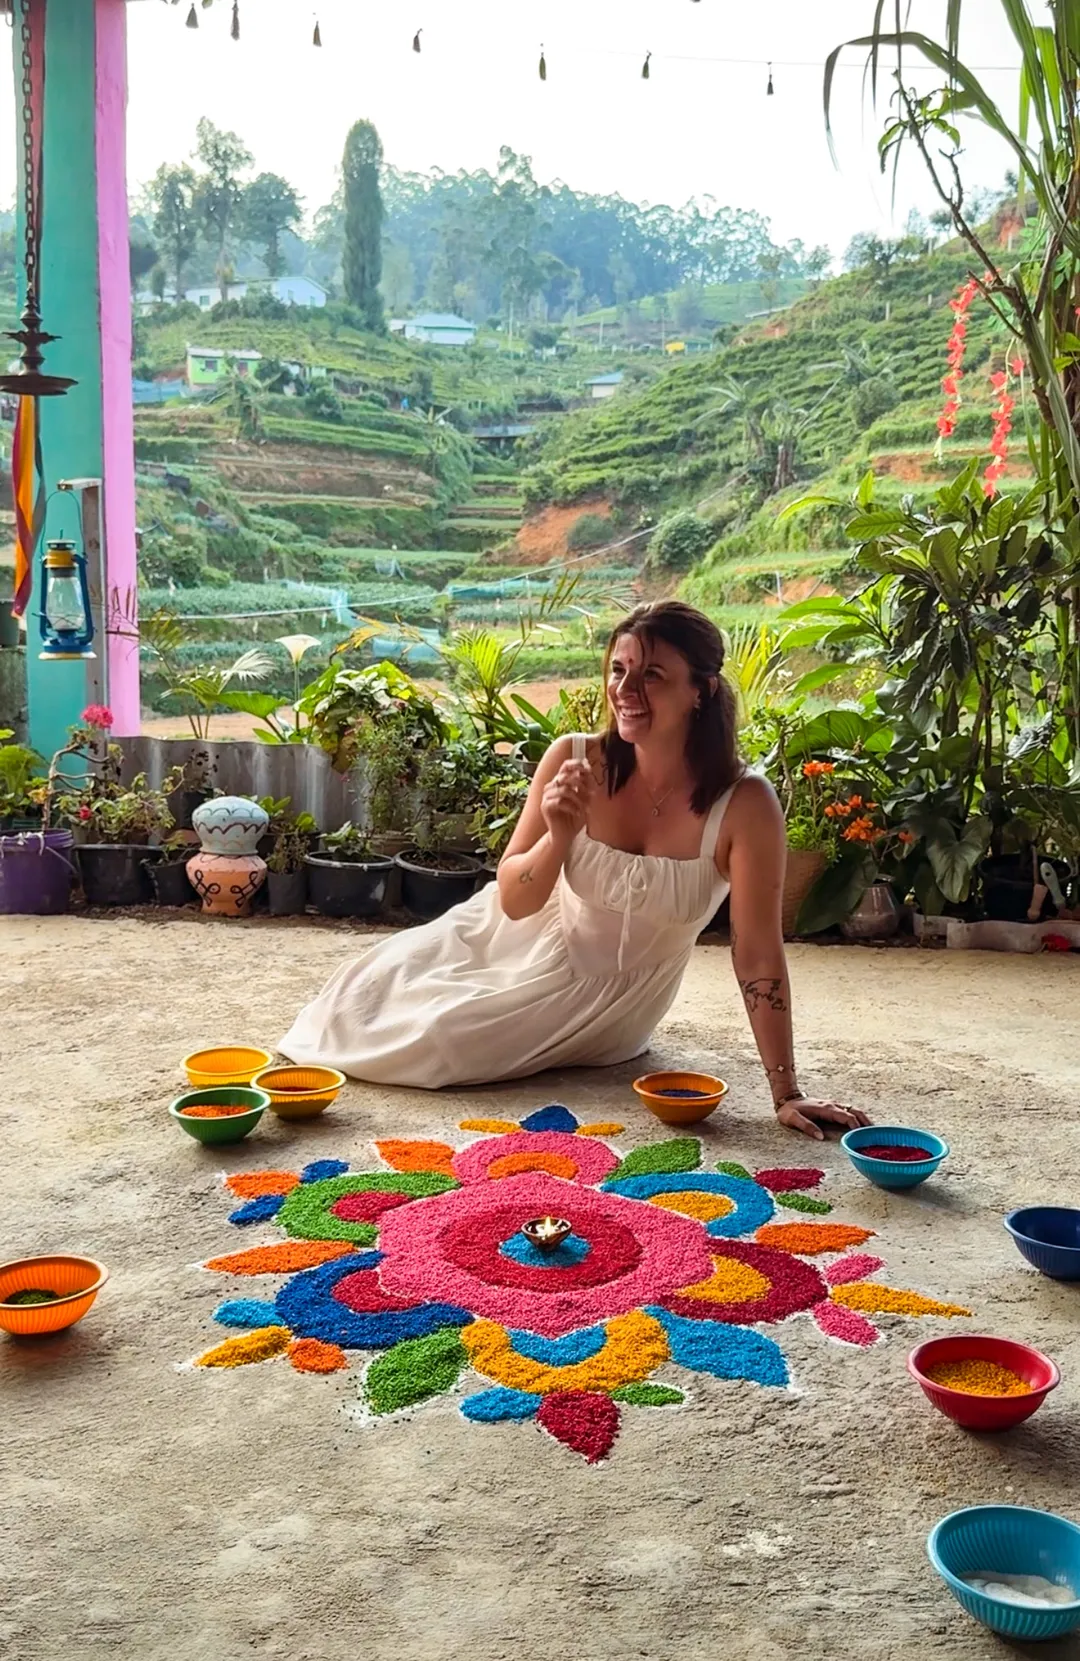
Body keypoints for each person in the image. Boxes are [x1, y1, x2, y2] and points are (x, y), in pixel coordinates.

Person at [280, 600, 868, 1140]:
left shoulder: (744, 804)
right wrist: (559, 835)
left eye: (652, 675)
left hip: (616, 1003)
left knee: (439, 1041)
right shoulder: (572, 757)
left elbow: (758, 952)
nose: (626, 691)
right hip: (517, 936)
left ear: (701, 691)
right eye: (618, 670)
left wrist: (786, 1091)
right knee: (364, 993)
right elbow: (514, 902)